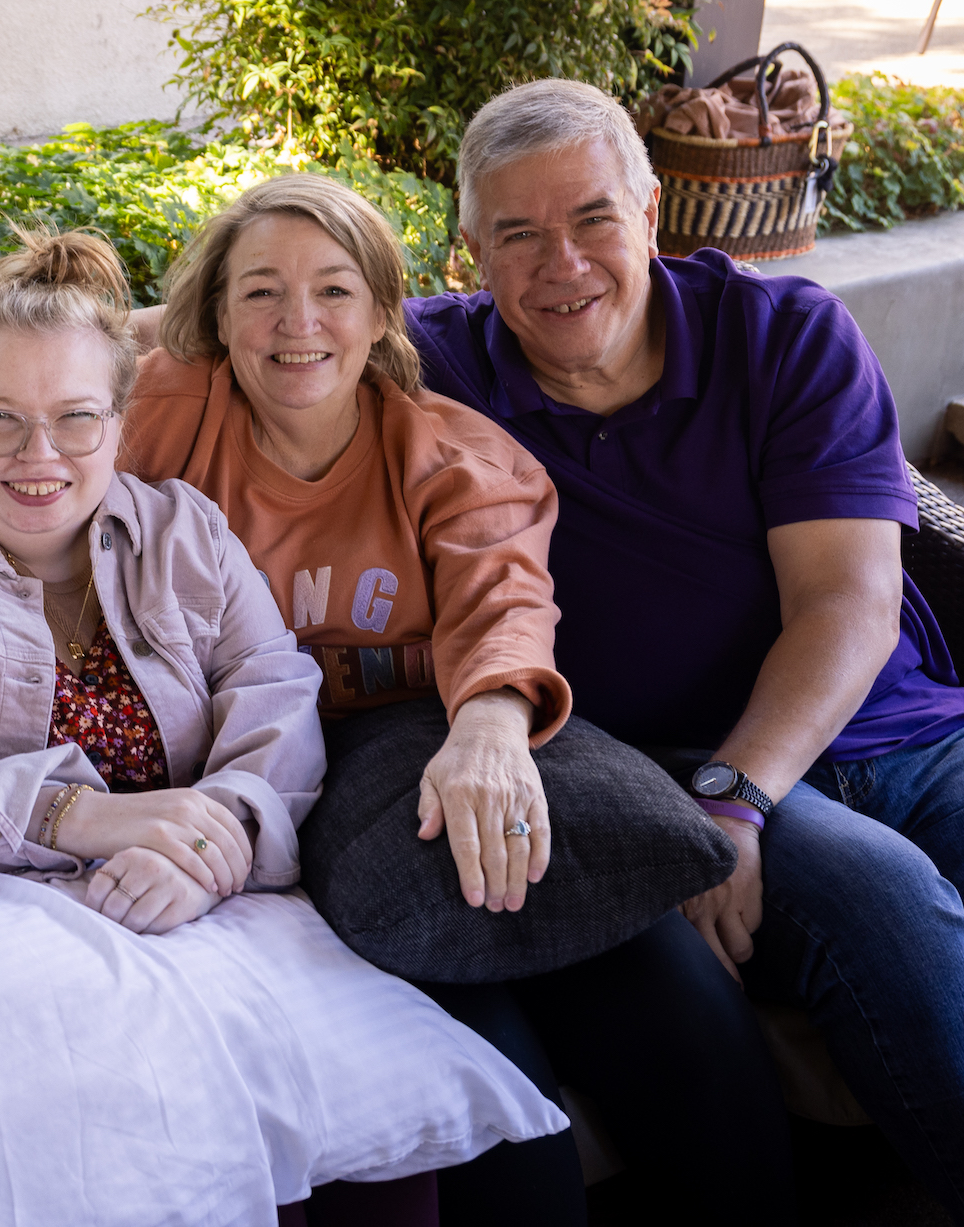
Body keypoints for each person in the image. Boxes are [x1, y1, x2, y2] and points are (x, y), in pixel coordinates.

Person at [0, 182, 795, 1222]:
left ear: (381, 314)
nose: (295, 322)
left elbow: (304, 683)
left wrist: (258, 824)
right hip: (53, 894)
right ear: (210, 322)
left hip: (320, 814)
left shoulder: (199, 521)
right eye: (260, 292)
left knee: (569, 1042)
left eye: (332, 292)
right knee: (467, 1052)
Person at [0, 226, 564, 1220]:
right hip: (9, 933)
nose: (39, 457)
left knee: (392, 1153)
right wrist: (81, 819)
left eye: (76, 419)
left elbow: (275, 701)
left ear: (122, 420)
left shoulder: (185, 534)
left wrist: (219, 840)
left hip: (212, 907)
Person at [396, 77, 964, 1219]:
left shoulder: (785, 336)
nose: (563, 263)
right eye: (518, 233)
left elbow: (846, 605)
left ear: (652, 216)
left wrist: (733, 798)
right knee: (885, 901)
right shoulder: (430, 368)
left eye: (594, 218)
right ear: (469, 255)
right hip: (668, 762)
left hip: (882, 740)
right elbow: (212, 331)